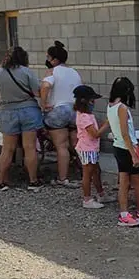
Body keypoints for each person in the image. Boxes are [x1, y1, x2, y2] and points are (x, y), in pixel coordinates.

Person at [106, 77, 139, 227]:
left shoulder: (110, 105)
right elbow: (125, 133)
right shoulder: (122, 108)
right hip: (126, 148)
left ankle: (138, 211)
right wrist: (134, 154)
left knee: (132, 181)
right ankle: (128, 213)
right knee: (129, 182)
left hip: (119, 146)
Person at [0, 46, 44, 191]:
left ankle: (0, 180)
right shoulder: (27, 72)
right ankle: (33, 180)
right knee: (30, 147)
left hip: (7, 111)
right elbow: (37, 91)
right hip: (29, 111)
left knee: (7, 149)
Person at [40, 41, 81, 188]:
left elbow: (45, 87)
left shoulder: (52, 72)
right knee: (77, 145)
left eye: (48, 57)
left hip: (58, 111)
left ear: (54, 60)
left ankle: (63, 178)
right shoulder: (74, 72)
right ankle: (86, 173)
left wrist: (43, 104)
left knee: (61, 146)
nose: (47, 60)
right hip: (75, 111)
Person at [73, 85, 114, 209]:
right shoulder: (84, 117)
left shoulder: (86, 115)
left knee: (96, 171)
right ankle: (87, 199)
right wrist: (107, 124)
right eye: (91, 100)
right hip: (87, 149)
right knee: (88, 174)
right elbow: (95, 134)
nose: (93, 103)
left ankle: (101, 194)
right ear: (84, 101)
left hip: (91, 148)